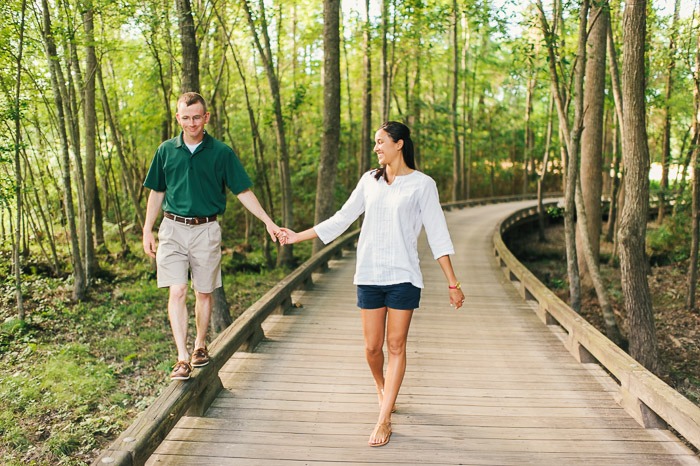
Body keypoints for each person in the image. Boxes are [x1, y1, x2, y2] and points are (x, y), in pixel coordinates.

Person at [279, 121, 465, 447]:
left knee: (396, 346)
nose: (376, 148)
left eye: (381, 142)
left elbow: (438, 234)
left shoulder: (423, 185)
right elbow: (341, 218)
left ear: (400, 144)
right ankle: (381, 386)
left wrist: (453, 283)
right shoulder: (369, 181)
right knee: (371, 347)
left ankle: (384, 417)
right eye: (375, 143)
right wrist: (298, 236)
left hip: (404, 277)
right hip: (368, 275)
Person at [142, 92, 281, 381]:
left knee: (203, 291)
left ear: (206, 117)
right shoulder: (166, 150)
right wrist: (147, 229)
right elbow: (157, 192)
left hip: (206, 229)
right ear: (178, 118)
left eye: (197, 117)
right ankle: (181, 358)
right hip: (172, 228)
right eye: (186, 117)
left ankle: (199, 346)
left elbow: (242, 190)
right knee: (177, 290)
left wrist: (267, 221)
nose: (191, 123)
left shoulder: (221, 152)